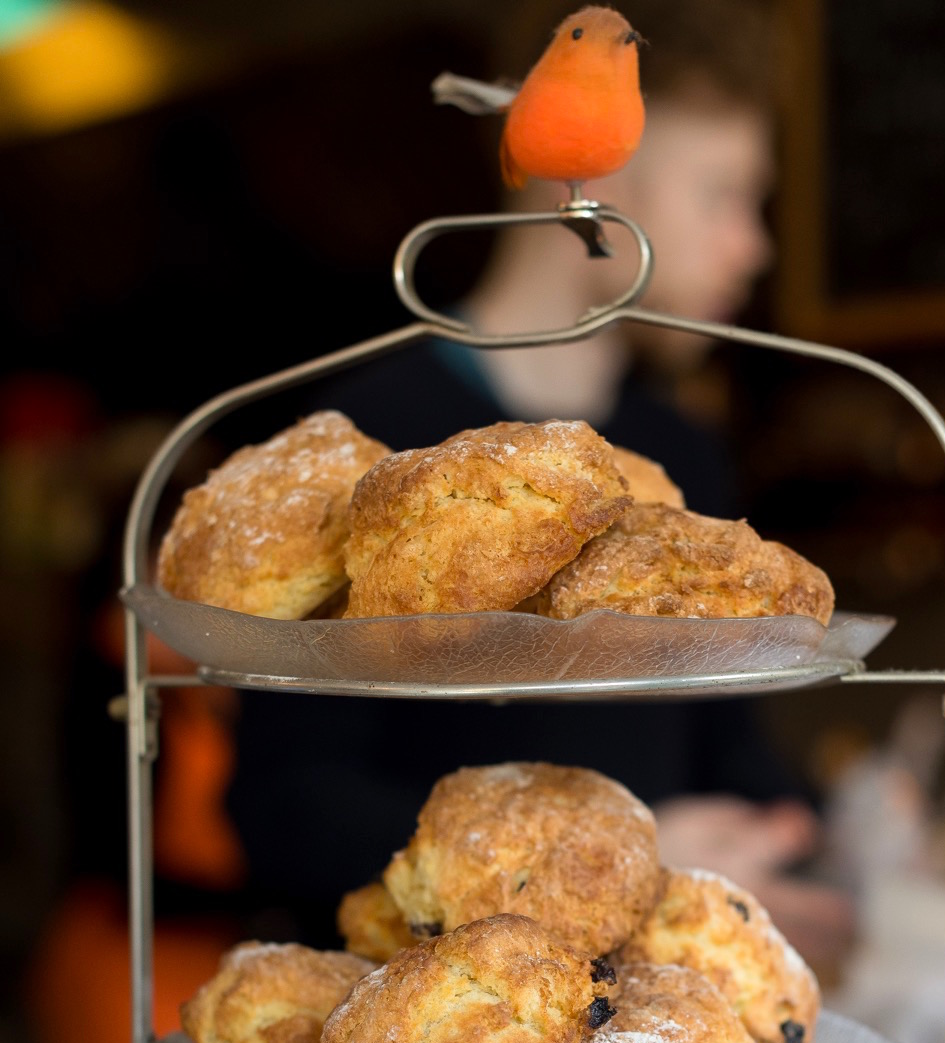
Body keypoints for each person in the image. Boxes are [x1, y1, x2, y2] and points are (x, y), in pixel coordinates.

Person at [226, 0, 852, 968]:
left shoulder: (678, 459)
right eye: (722, 195)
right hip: (420, 1009)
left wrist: (803, 823)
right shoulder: (362, 444)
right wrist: (622, 854)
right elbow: (286, 808)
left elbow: (727, 745)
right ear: (593, 180)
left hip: (647, 1011)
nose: (753, 246)